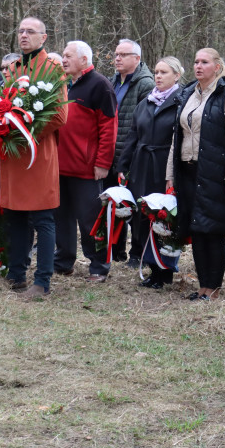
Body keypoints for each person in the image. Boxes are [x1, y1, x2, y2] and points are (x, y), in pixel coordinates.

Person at [166, 48, 225, 301]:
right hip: (188, 172)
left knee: (213, 229)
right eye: (196, 61)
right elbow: (176, 137)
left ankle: (214, 287)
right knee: (197, 228)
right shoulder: (188, 93)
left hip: (214, 173)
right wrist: (170, 174)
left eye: (205, 62)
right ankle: (202, 286)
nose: (198, 66)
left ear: (217, 67)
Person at [0, 17, 69, 299]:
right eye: (21, 31)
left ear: (44, 38)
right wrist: (1, 128)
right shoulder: (14, 68)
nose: (24, 35)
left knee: (42, 217)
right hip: (13, 156)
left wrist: (24, 131)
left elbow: (59, 115)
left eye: (30, 31)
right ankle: (16, 273)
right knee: (15, 215)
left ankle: (42, 282)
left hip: (37, 154)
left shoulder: (52, 68)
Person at [118, 56, 185, 289]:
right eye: (156, 72)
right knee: (142, 217)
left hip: (165, 167)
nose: (158, 76)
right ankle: (150, 266)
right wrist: (123, 167)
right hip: (141, 165)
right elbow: (132, 136)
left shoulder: (181, 102)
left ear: (177, 75)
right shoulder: (146, 102)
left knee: (164, 218)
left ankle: (164, 270)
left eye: (164, 72)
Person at [54, 41, 118, 282]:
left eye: (68, 56)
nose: (63, 60)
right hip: (60, 167)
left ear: (84, 59)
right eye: (63, 55)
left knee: (90, 219)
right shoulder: (65, 85)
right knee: (62, 218)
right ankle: (63, 261)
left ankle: (99, 265)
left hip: (87, 169)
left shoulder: (100, 86)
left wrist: (103, 163)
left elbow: (109, 128)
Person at [110, 38, 155, 264]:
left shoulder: (145, 83)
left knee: (136, 206)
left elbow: (141, 125)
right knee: (115, 204)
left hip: (133, 155)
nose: (117, 58)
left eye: (123, 55)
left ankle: (138, 254)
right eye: (116, 54)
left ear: (136, 59)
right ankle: (115, 251)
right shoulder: (113, 81)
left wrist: (130, 156)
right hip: (112, 153)